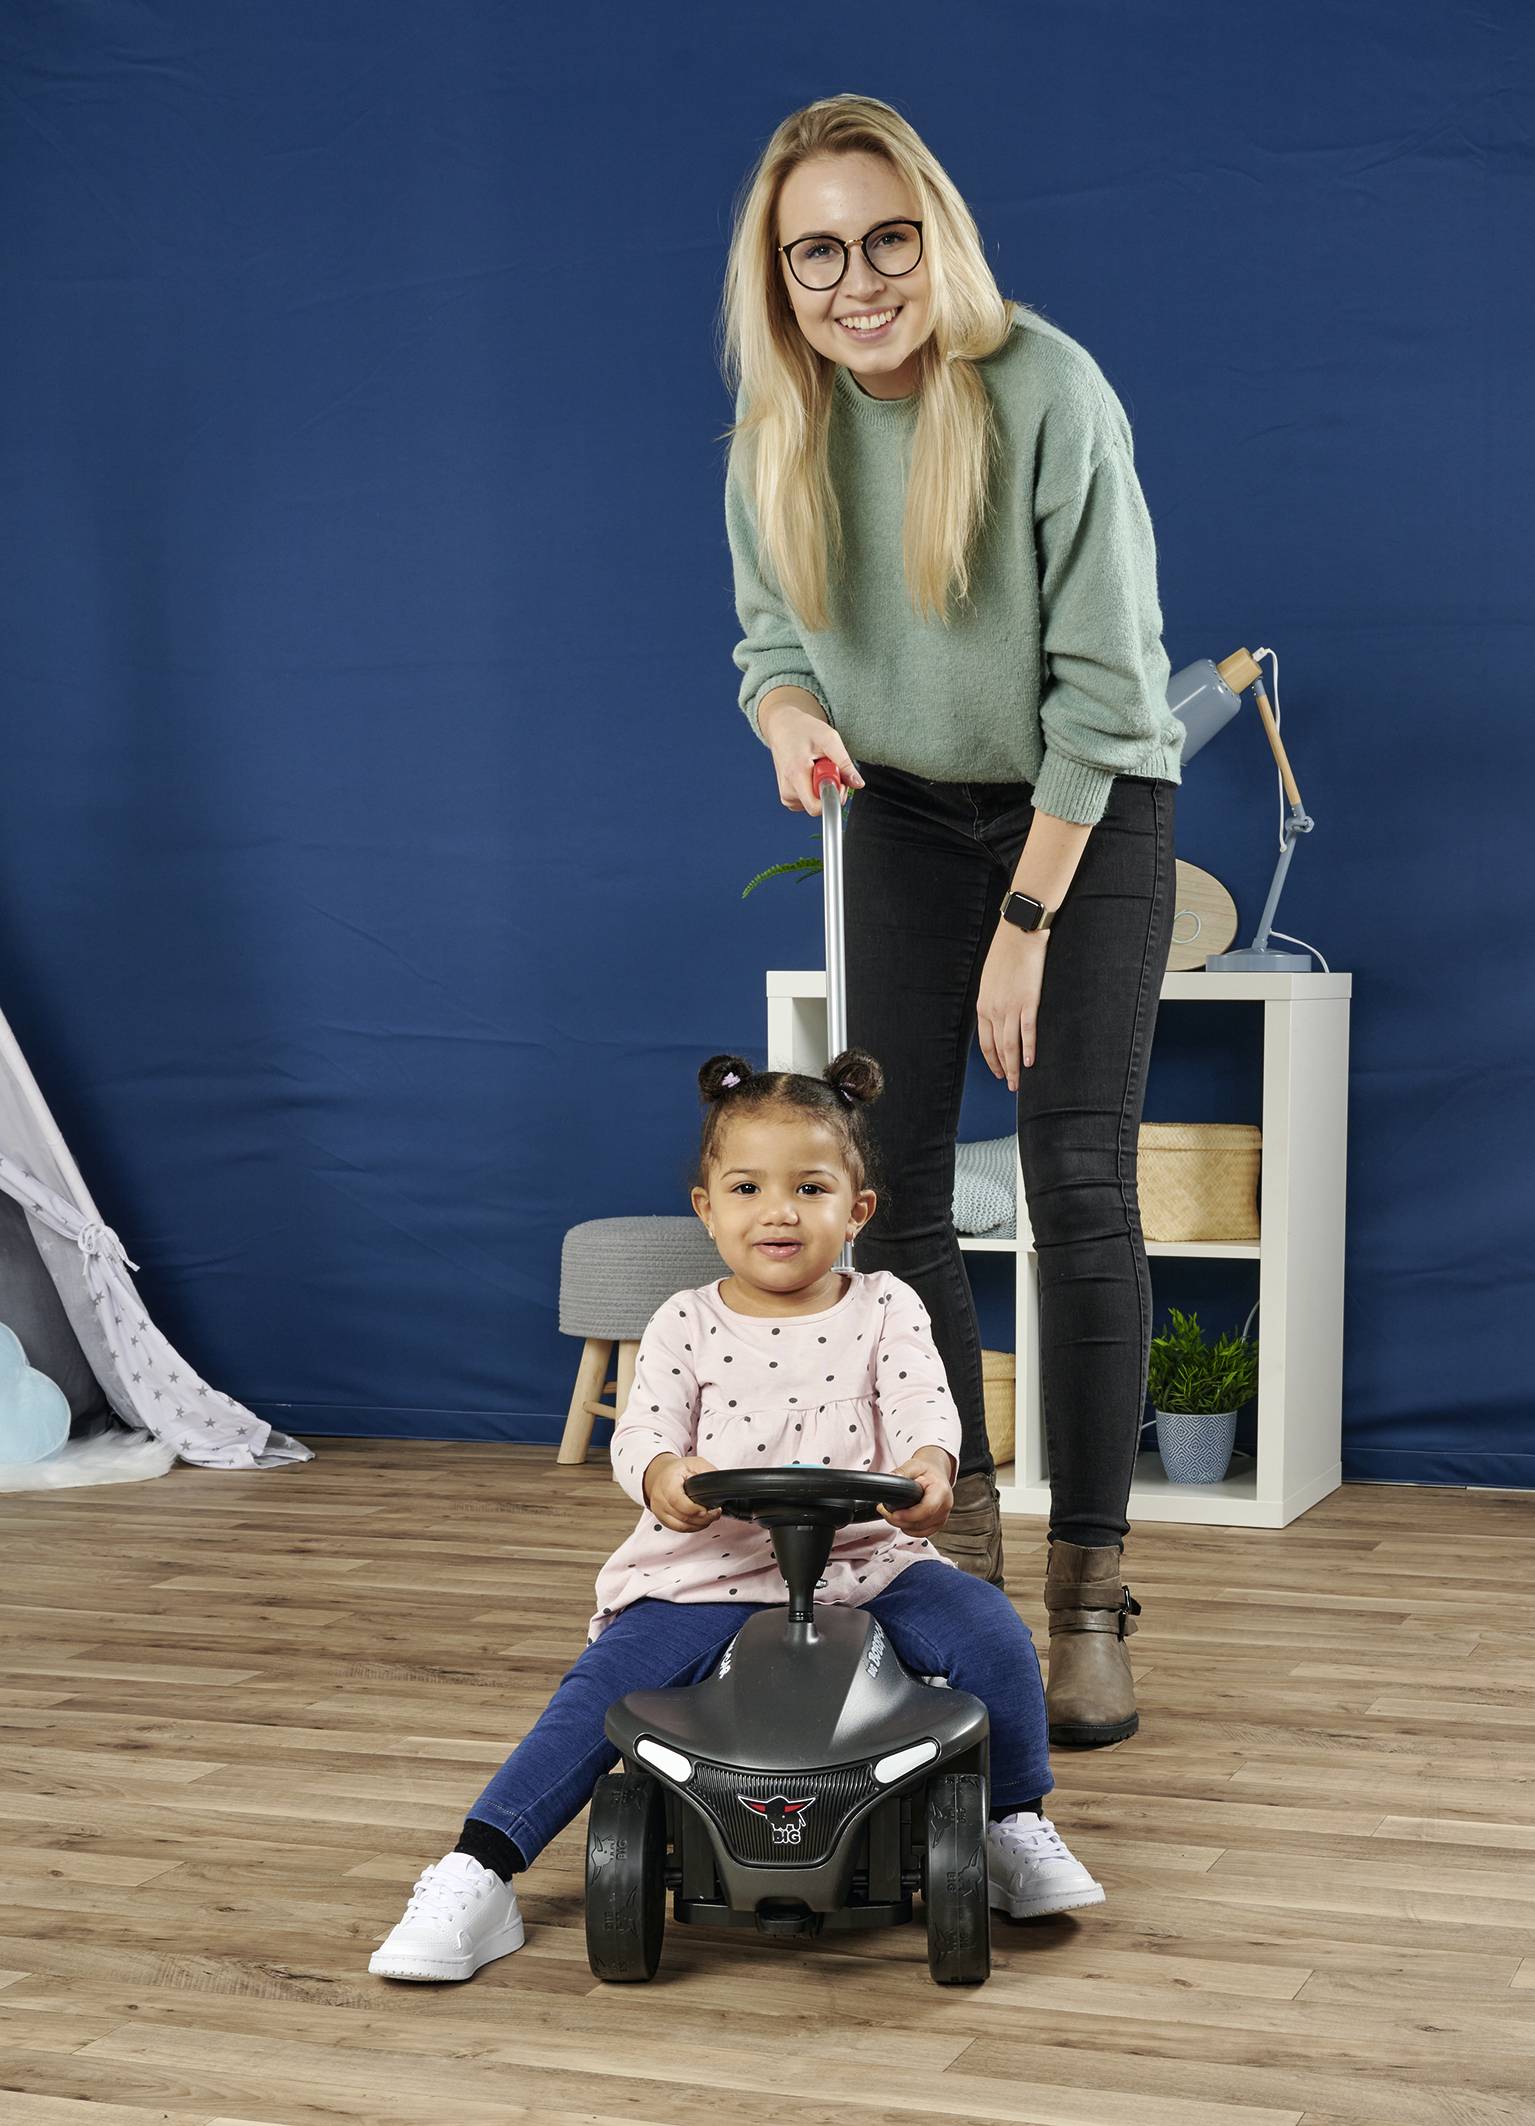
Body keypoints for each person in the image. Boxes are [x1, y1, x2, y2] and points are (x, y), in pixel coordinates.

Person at [721, 93, 1183, 1746]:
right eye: (818, 253)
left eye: (886, 238)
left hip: (1089, 797)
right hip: (906, 810)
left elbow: (1114, 696)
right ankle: (964, 1569)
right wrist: (790, 719)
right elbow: (771, 643)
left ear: (937, 236)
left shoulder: (1047, 391)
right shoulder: (778, 431)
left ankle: (1096, 1592)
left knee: (1078, 1171)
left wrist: (1030, 919)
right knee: (894, 1186)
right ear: (780, 282)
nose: (859, 281)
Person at [369, 1050, 1102, 1983]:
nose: (779, 1211)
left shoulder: (886, 1307)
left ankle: (1012, 1824)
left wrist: (927, 1464)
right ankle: (479, 1868)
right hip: (704, 1572)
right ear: (706, 1206)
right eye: (748, 1187)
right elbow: (641, 1432)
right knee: (594, 1701)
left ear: (857, 1210)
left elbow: (925, 1404)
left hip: (867, 1561)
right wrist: (664, 1474)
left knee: (990, 1632)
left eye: (810, 1187)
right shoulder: (684, 1321)